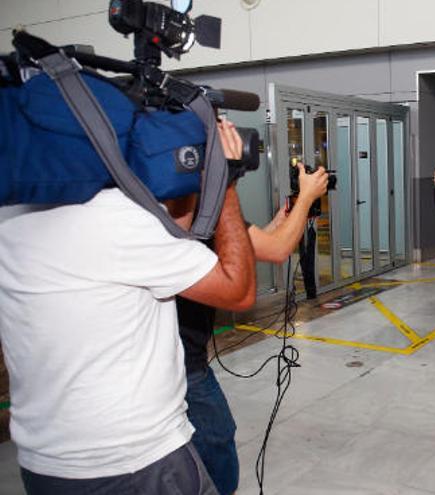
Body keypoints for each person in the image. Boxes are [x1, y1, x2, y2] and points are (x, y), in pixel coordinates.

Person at [0, 119, 256, 494]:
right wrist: (225, 179)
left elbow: (175, 231)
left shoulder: (9, 217)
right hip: (137, 462)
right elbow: (239, 291)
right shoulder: (115, 219)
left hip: (45, 464)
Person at [177, 132, 328, 495]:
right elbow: (275, 252)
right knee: (217, 441)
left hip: (182, 358)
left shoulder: (183, 209)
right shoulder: (187, 213)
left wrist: (284, 219)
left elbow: (255, 242)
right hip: (184, 367)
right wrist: (307, 197)